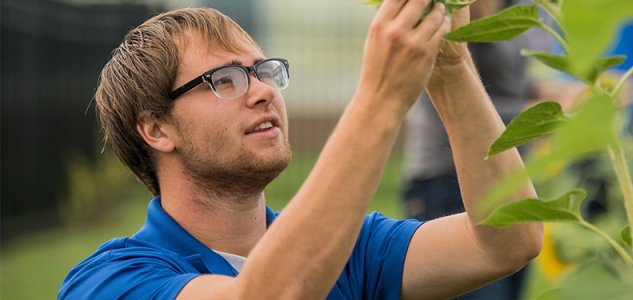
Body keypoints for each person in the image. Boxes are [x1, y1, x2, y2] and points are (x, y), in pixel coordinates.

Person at [57, 1, 543, 299]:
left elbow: (507, 240)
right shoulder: (109, 282)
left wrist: (450, 64)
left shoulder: (348, 248)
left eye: (264, 70)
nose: (264, 90)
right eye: (224, 79)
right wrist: (379, 99)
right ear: (157, 128)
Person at [402, 0, 536, 298]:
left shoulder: (517, 8)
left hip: (509, 174)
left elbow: (514, 84)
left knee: (512, 274)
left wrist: (559, 95)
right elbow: (447, 102)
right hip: (450, 178)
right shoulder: (447, 11)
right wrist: (542, 112)